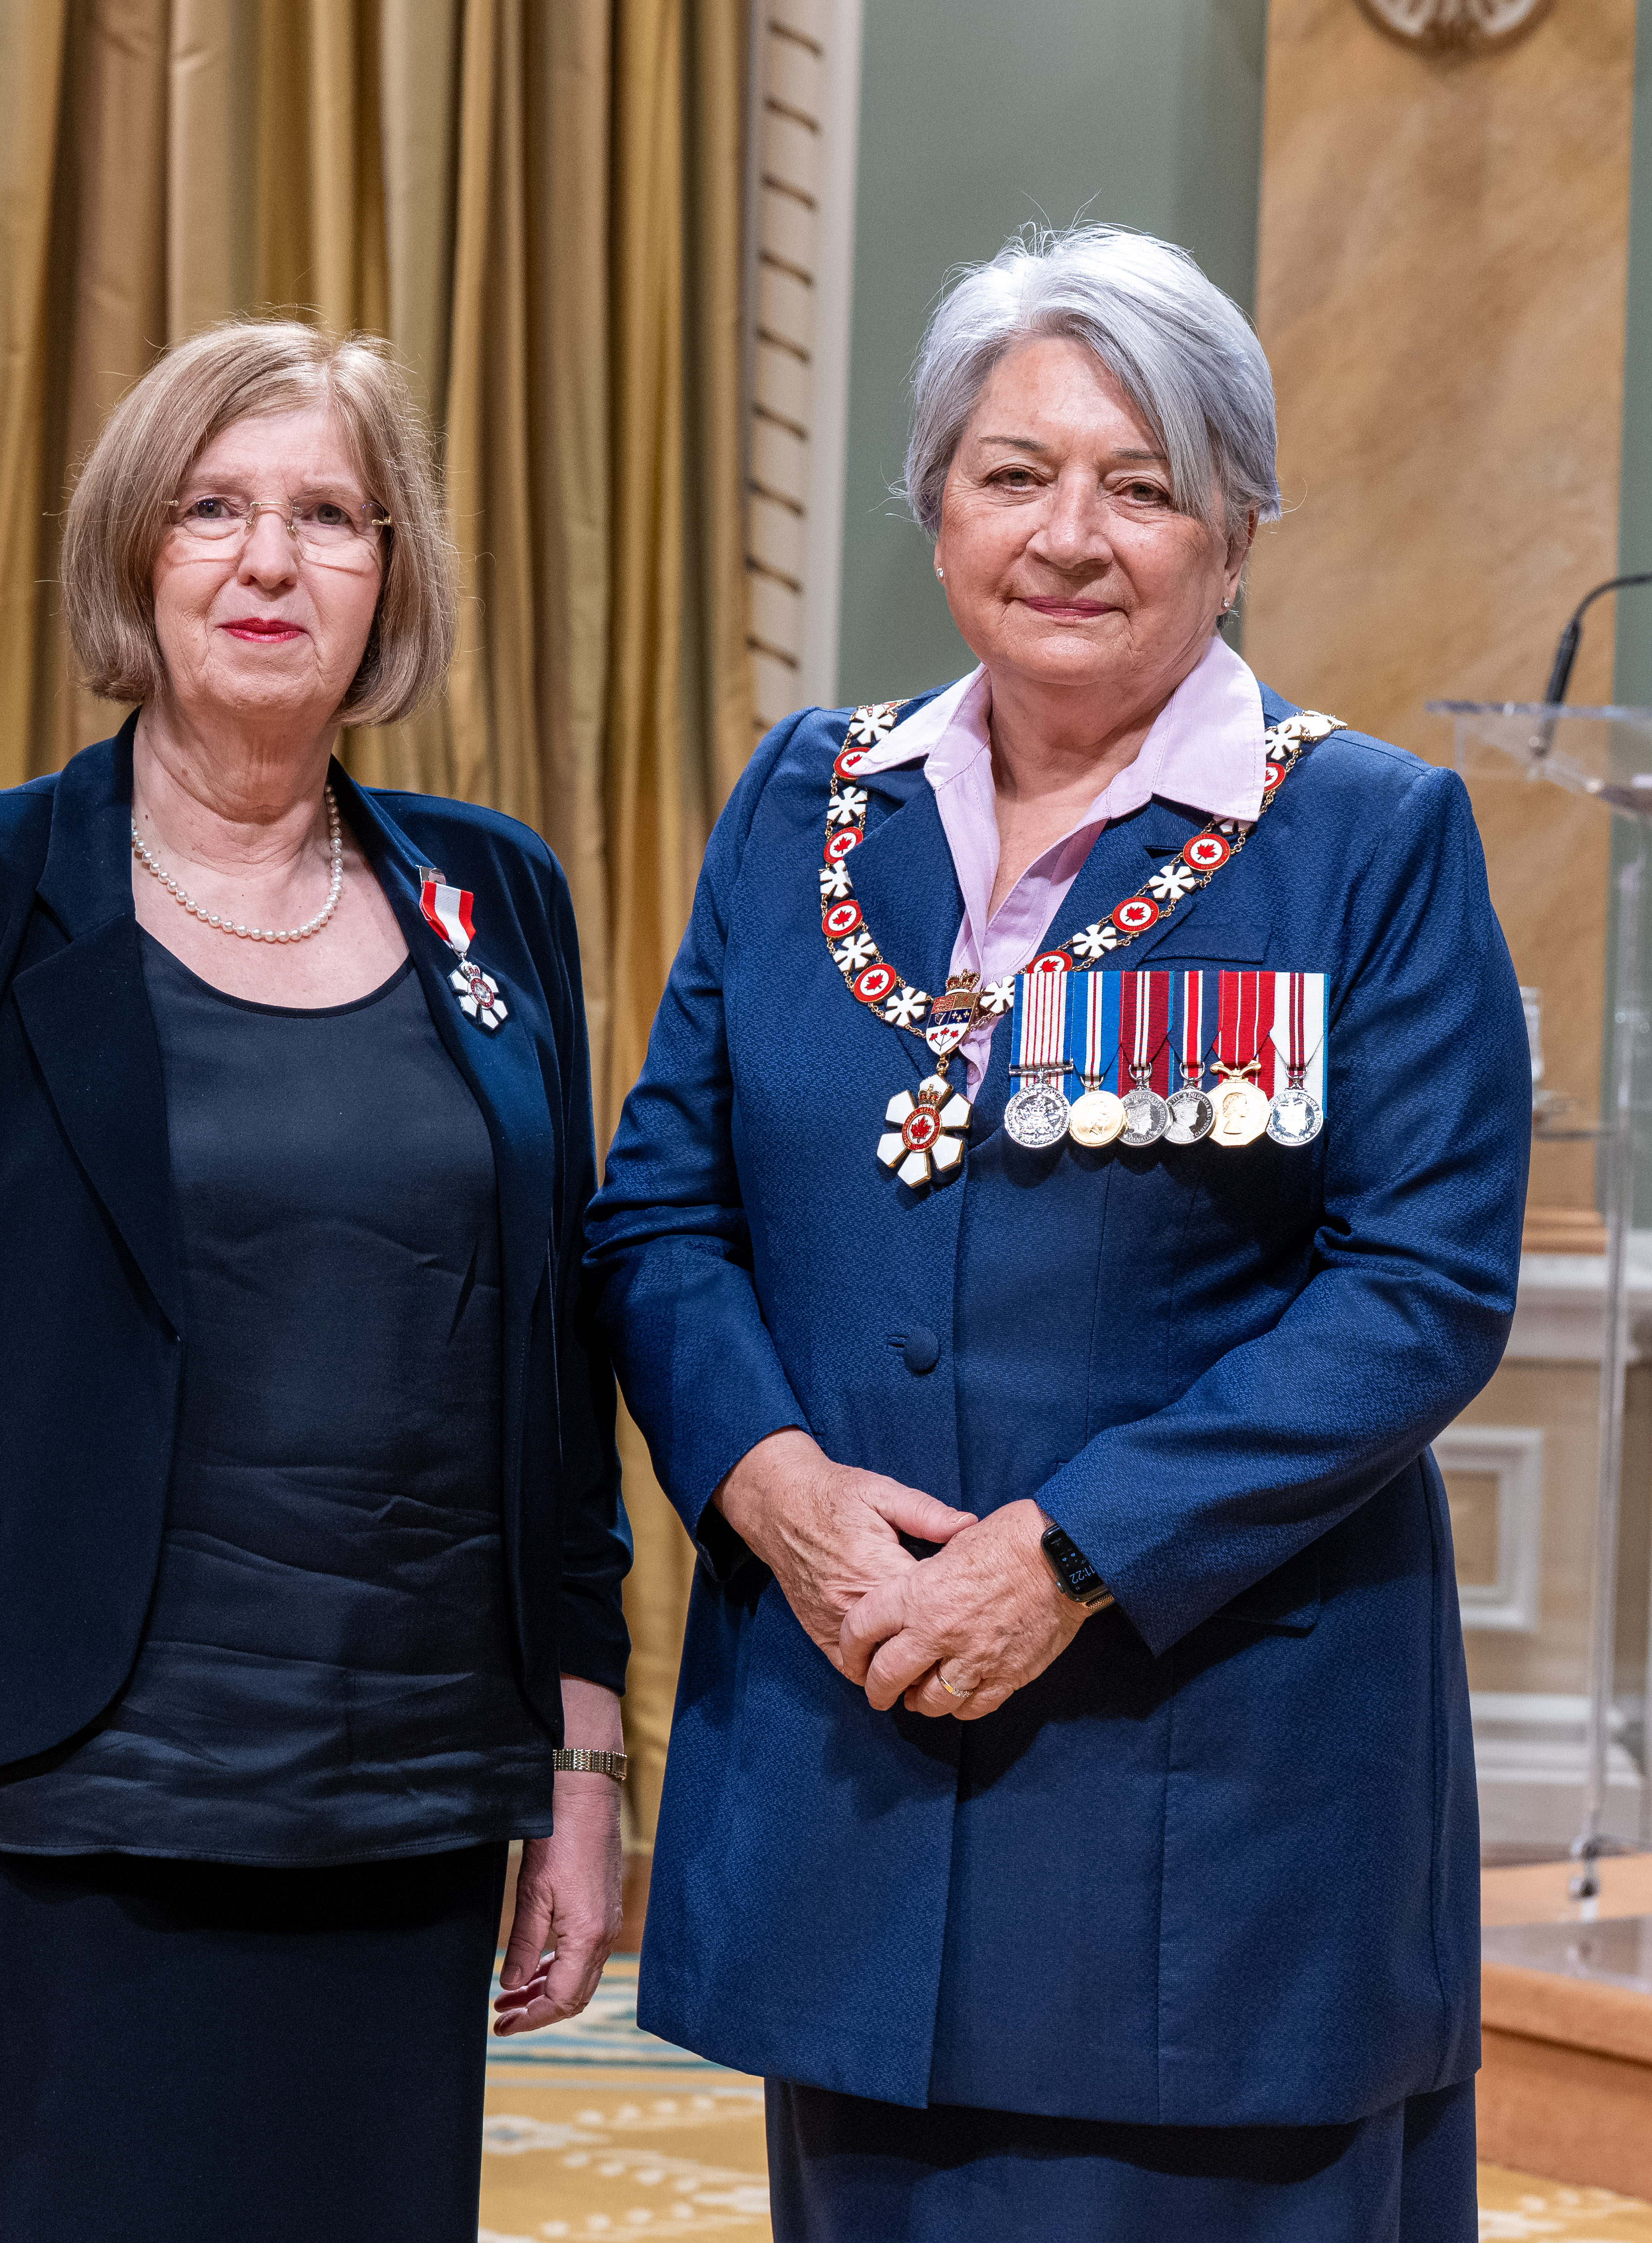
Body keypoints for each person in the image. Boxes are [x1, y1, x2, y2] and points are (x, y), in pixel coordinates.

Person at [586, 224, 1527, 2239]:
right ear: (933, 507)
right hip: (856, 1767)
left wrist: (1066, 1551)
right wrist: (772, 1495)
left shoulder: (1363, 839)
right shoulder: (799, 805)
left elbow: (1418, 1288)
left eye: (1142, 481)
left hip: (1213, 1819)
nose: (1070, 534)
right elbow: (660, 1212)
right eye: (1014, 474)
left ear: (1237, 527)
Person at [0, 318, 630, 2243]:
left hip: (399, 1811)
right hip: (43, 1818)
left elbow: (552, 1364)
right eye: (212, 510)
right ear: (136, 556)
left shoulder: (491, 899)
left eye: (326, 516)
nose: (268, 562)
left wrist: (584, 1762)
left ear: (395, 577)